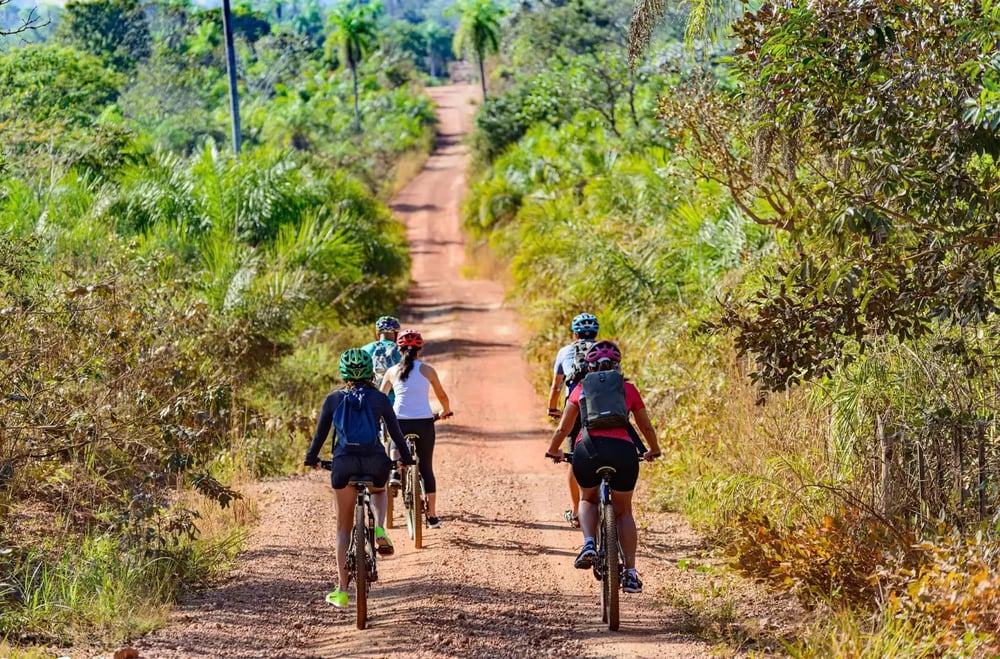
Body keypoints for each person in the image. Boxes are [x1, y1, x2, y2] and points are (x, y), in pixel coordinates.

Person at [545, 340, 661, 595]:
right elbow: (645, 426)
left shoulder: (580, 388)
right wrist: (653, 449)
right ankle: (630, 573)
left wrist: (554, 450)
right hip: (623, 453)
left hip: (588, 451)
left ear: (589, 367)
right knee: (624, 512)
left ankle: (588, 542)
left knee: (587, 499)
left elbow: (564, 428)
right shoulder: (628, 389)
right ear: (618, 366)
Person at [304, 348, 414, 608]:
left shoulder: (333, 399)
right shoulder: (380, 399)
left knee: (343, 529)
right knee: (379, 490)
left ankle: (342, 590)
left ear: (344, 374)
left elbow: (320, 436)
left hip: (343, 465)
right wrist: (405, 459)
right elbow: (396, 434)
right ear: (369, 373)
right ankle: (379, 527)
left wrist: (312, 458)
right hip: (375, 462)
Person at [379, 329, 452, 529]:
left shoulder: (392, 371)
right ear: (419, 350)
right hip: (424, 423)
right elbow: (442, 396)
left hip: (399, 421)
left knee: (395, 439)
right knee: (426, 467)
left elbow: (381, 398)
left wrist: (380, 416)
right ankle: (432, 516)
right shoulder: (427, 370)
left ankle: (395, 471)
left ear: (399, 350)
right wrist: (445, 411)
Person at [545, 312, 600, 528]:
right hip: (603, 406)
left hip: (575, 407)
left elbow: (556, 386)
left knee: (574, 458)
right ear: (596, 333)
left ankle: (577, 512)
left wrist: (552, 408)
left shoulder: (565, 352)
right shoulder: (605, 351)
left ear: (575, 334)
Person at [362, 315, 404, 484]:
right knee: (397, 432)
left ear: (377, 333)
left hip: (372, 400)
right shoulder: (401, 350)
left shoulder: (366, 349)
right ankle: (396, 472)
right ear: (396, 334)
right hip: (395, 400)